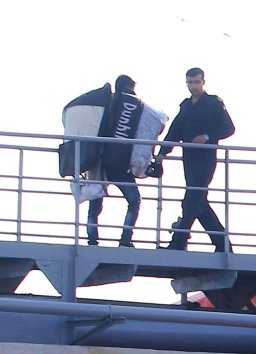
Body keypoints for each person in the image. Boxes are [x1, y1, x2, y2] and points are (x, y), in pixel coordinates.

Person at [156, 67, 234, 252]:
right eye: (190, 82)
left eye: (196, 82)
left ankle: (178, 243)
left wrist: (207, 136)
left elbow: (228, 128)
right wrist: (162, 153)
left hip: (205, 158)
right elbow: (175, 131)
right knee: (199, 202)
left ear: (203, 82)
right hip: (189, 158)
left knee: (191, 200)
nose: (193, 86)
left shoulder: (214, 103)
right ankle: (223, 245)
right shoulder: (186, 106)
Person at [85, 76, 146, 247]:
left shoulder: (105, 103)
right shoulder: (132, 105)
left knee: (95, 202)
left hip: (99, 160)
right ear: (129, 87)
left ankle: (92, 240)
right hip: (119, 162)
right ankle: (125, 239)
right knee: (134, 200)